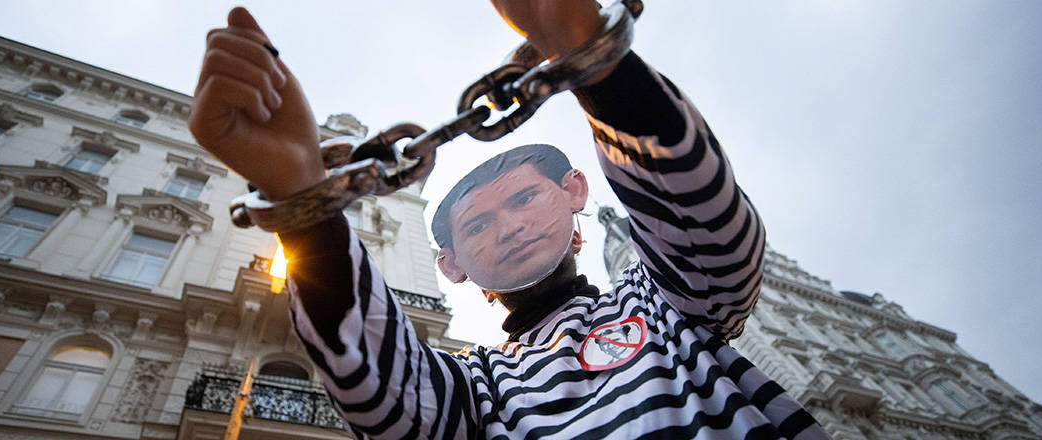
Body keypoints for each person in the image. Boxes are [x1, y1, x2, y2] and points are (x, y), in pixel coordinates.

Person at [189, 2, 831, 439]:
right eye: (476, 226)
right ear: (452, 266)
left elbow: (708, 231)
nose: (508, 226)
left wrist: (596, 62)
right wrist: (303, 206)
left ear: (575, 193)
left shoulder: (664, 308)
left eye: (525, 199)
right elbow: (384, 392)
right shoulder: (474, 388)